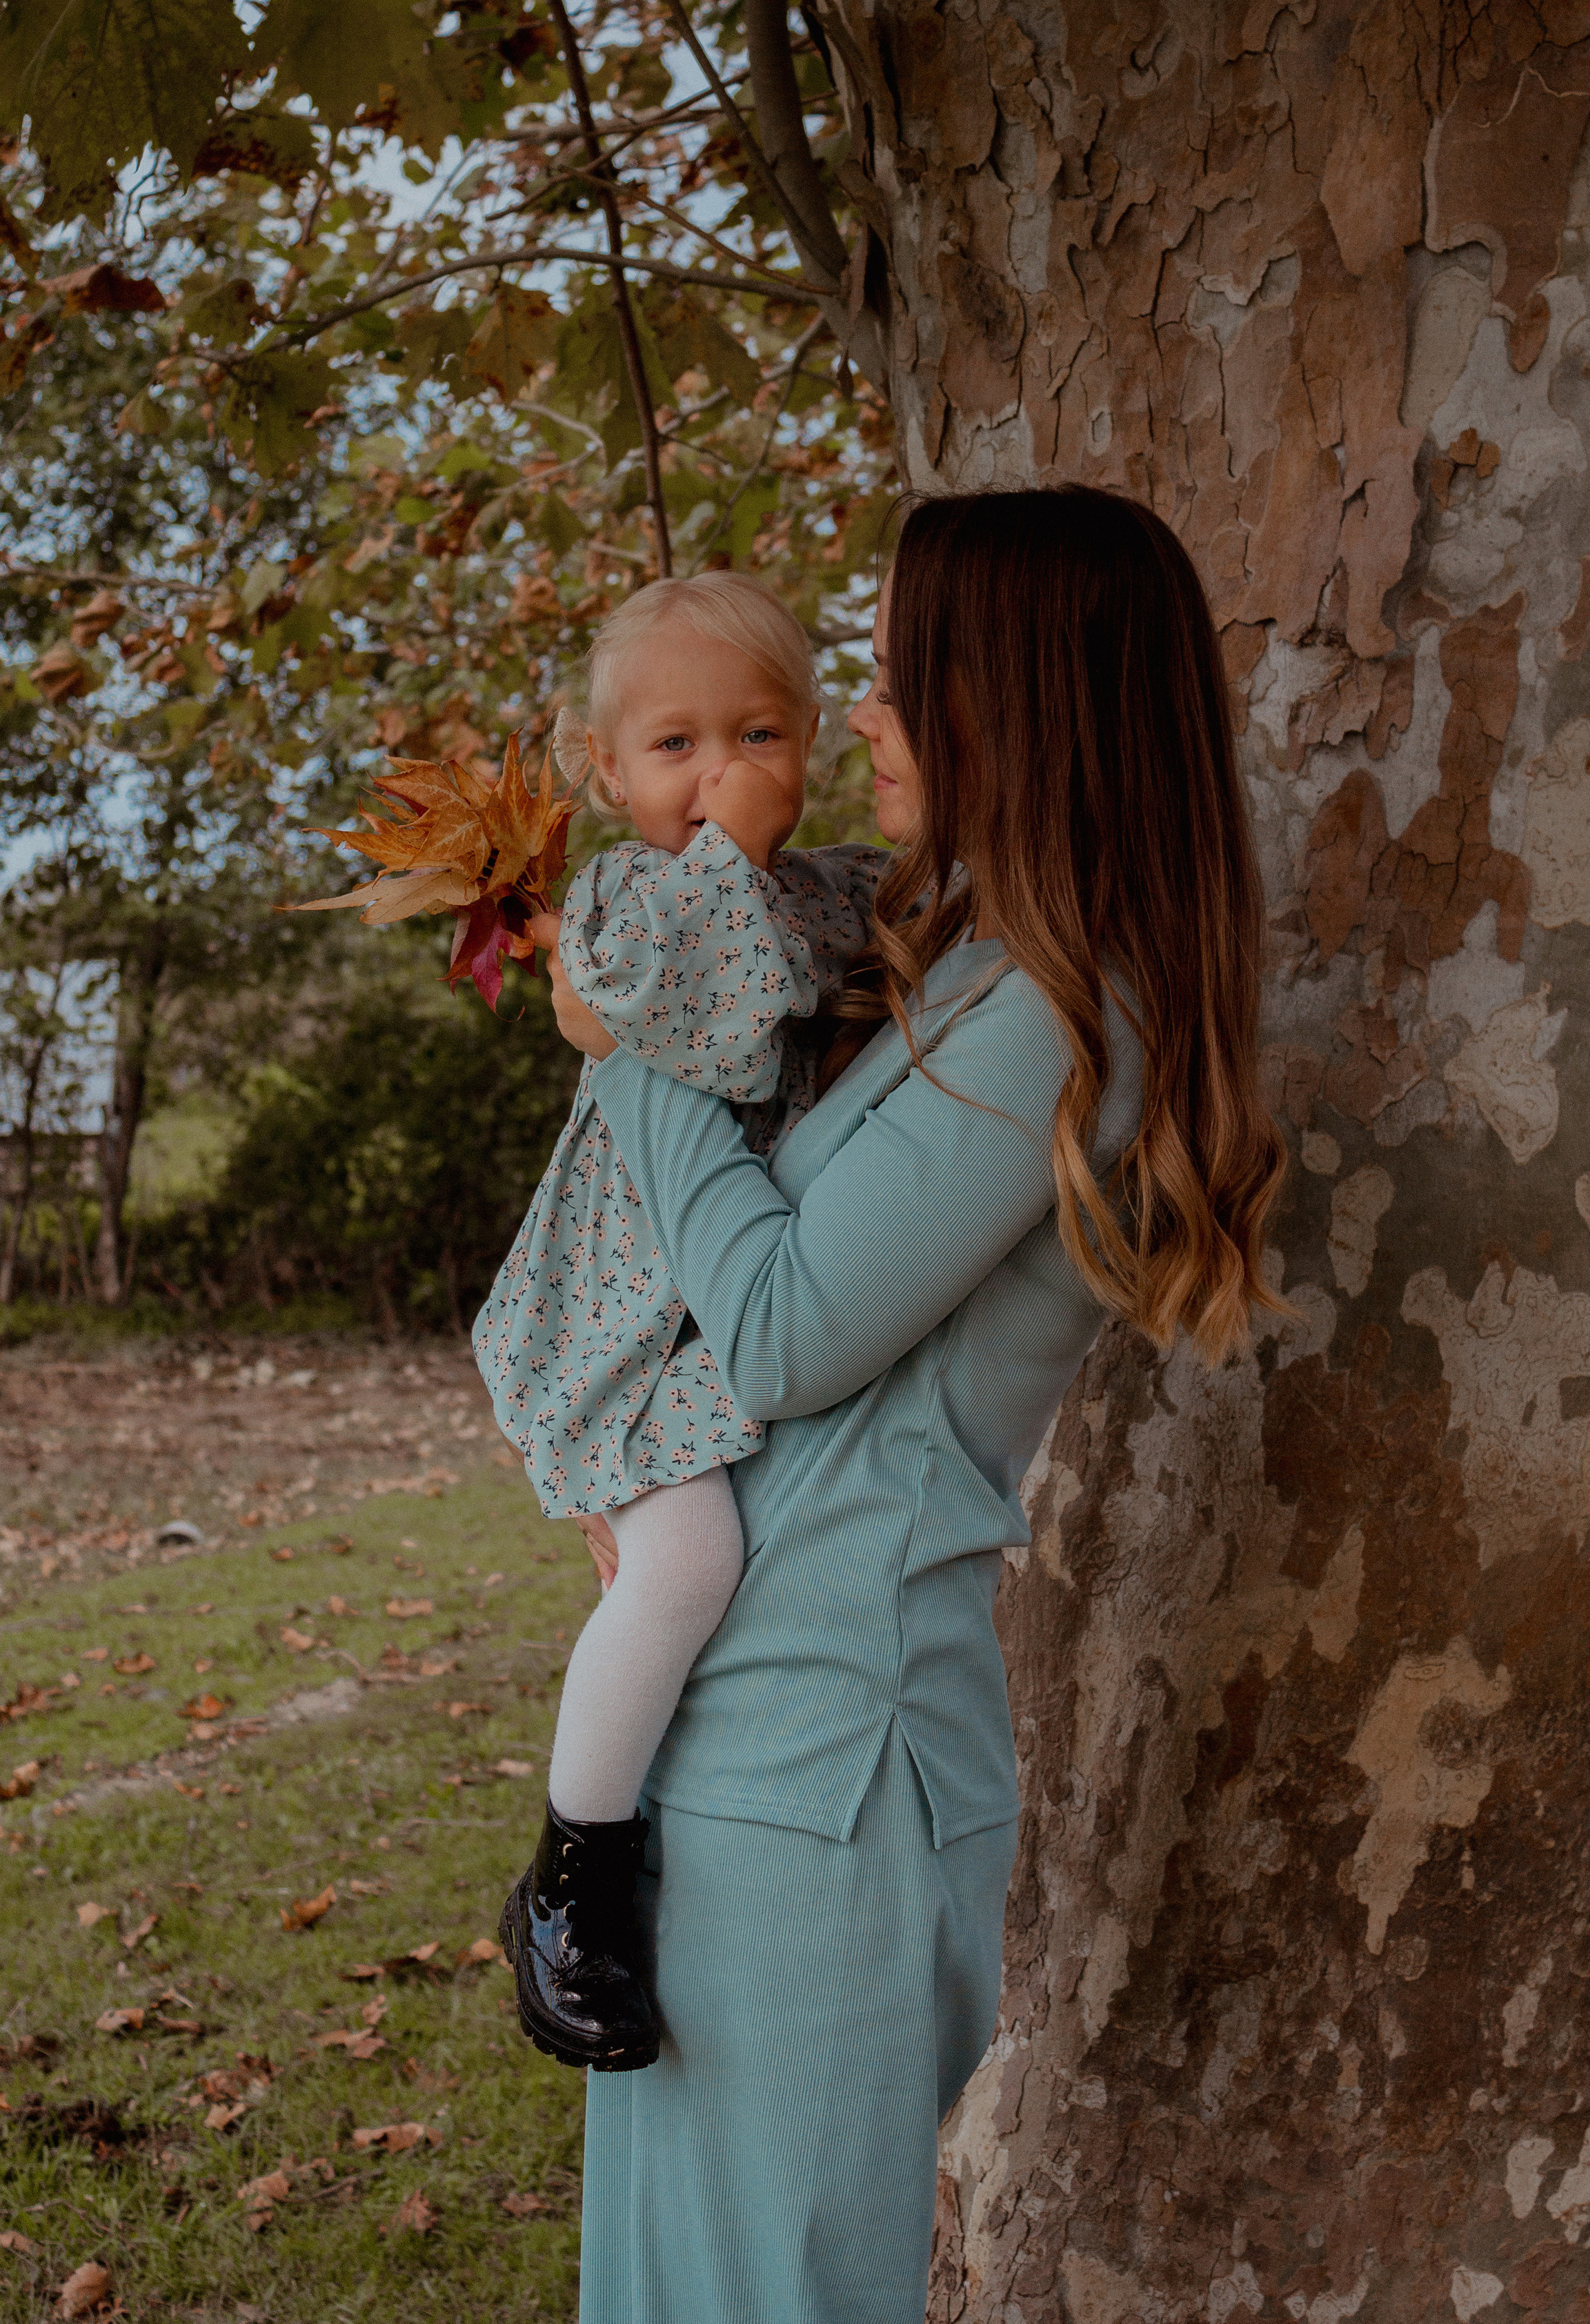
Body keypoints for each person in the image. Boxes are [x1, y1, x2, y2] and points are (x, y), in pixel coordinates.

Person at [535, 488, 1289, 2324]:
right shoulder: (948, 972)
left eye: (889, 677)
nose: (855, 716)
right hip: (746, 1750)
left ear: (1010, 702)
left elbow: (783, 1330)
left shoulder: (1055, 1013)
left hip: (830, 1776)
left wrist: (626, 1045)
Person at [475, 573, 885, 2070]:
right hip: (619, 1322)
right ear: (606, 772)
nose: (719, 772)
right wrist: (734, 849)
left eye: (757, 732)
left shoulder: (828, 885)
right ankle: (569, 1877)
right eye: (674, 746)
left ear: (810, 746)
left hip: (717, 1320)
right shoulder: (629, 901)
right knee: (687, 1557)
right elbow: (682, 1000)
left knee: (725, 1553)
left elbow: (893, 949)